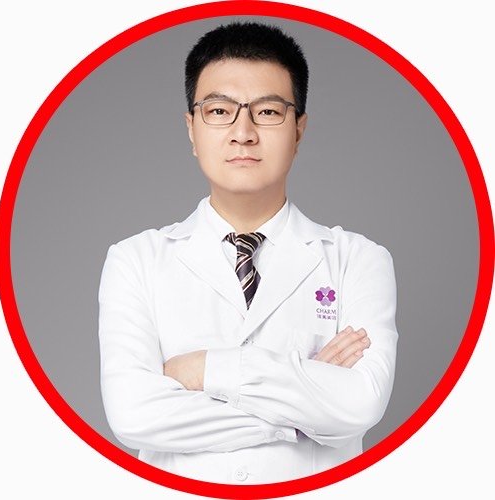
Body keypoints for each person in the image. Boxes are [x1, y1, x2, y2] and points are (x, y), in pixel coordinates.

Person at [98, 21, 398, 485]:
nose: (243, 132)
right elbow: (133, 414)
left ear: (299, 130)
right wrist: (302, 402)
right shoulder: (135, 261)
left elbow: (359, 403)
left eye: (268, 112)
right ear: (192, 129)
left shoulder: (358, 260)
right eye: (219, 111)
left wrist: (205, 369)